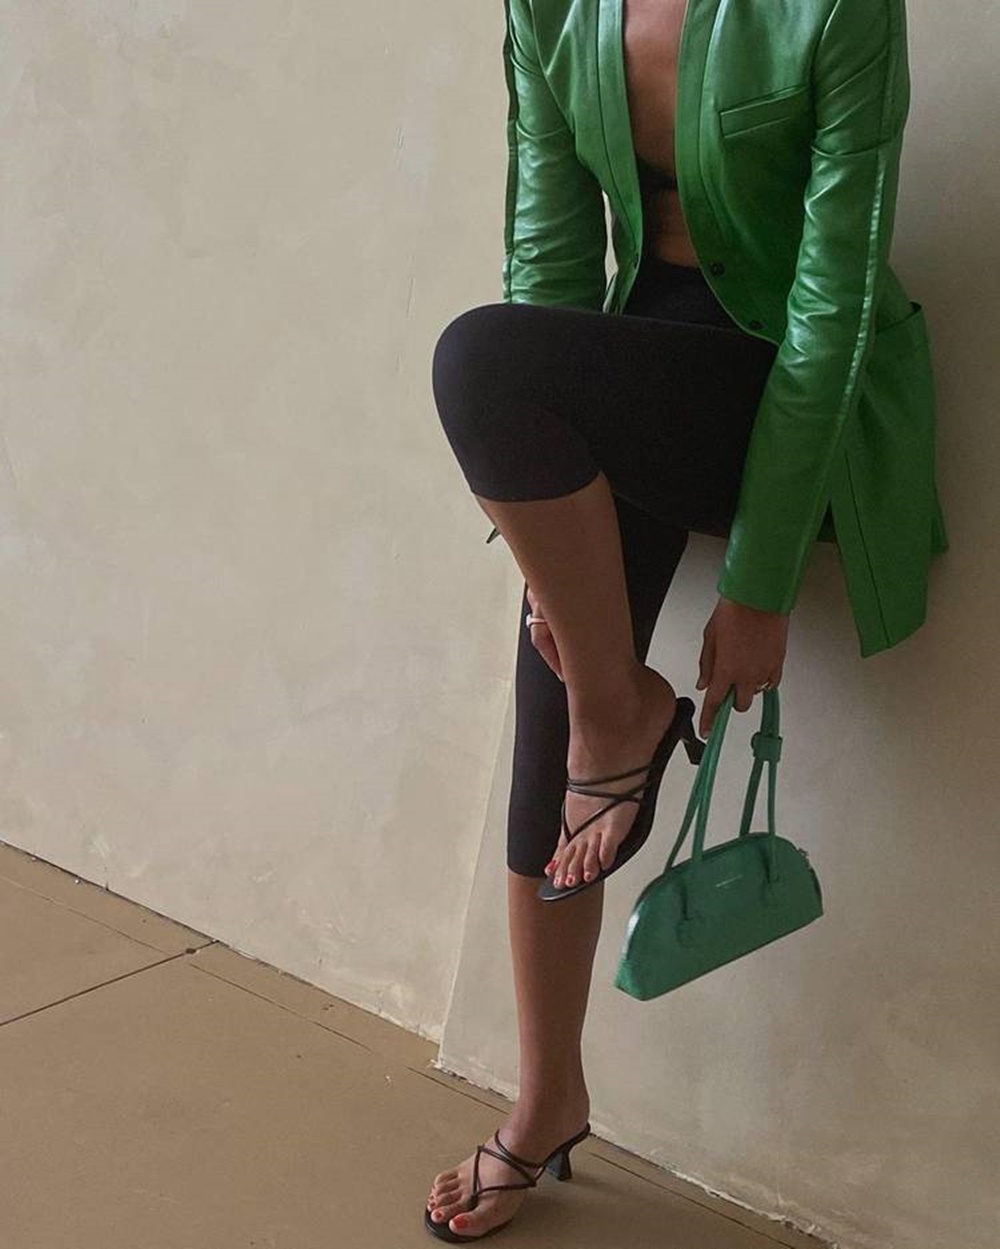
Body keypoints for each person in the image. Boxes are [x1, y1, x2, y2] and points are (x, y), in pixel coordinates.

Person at [425, 0, 947, 1241]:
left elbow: (833, 306)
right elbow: (549, 267)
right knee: (555, 704)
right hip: (630, 357)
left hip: (780, 378)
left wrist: (758, 583)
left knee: (476, 359)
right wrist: (542, 550)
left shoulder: (838, 11)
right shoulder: (548, 9)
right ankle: (548, 1098)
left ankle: (620, 712)